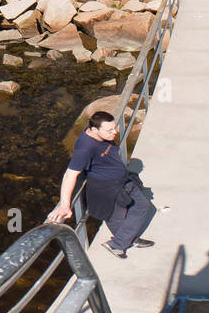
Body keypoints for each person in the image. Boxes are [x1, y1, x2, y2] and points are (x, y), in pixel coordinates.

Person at [43, 109, 156, 258]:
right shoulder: (85, 148)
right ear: (95, 130)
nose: (114, 133)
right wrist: (65, 204)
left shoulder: (101, 135)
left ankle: (127, 239)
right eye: (109, 130)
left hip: (123, 182)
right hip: (107, 189)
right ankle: (117, 245)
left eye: (114, 128)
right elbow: (70, 175)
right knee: (117, 218)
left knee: (142, 205)